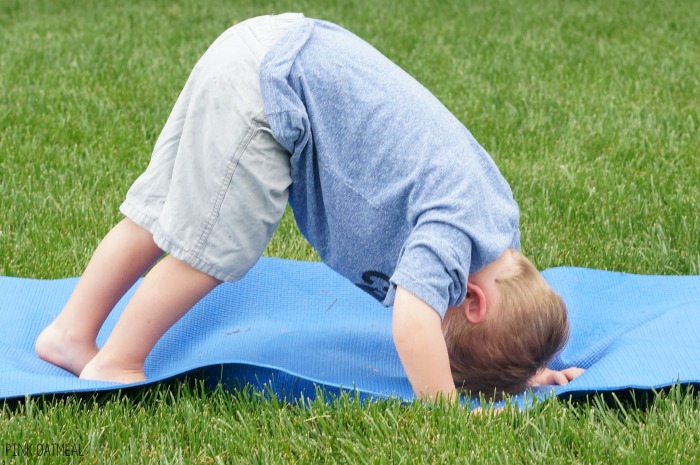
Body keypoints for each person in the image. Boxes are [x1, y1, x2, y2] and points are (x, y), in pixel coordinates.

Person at [35, 13, 583, 401]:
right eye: (453, 325)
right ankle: (117, 363)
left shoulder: (496, 221)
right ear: (473, 301)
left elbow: (491, 310)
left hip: (267, 49)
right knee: (211, 248)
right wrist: (441, 412)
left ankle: (70, 333)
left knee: (162, 220)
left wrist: (524, 368)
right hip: (273, 91)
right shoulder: (454, 233)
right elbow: (413, 319)